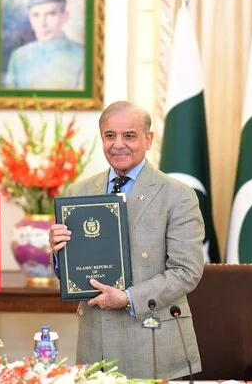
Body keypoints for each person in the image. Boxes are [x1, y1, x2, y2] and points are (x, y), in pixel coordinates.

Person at [48, 101, 204, 380]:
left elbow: (187, 271)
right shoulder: (78, 191)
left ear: (148, 139)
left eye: (129, 135)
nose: (118, 144)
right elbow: (69, 274)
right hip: (96, 342)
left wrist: (128, 298)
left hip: (153, 341)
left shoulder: (178, 195)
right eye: (110, 136)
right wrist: (59, 253)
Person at [4, 0, 84, 90]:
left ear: (65, 16)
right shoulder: (18, 57)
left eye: (51, 14)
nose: (43, 24)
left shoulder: (82, 57)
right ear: (30, 18)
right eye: (36, 15)